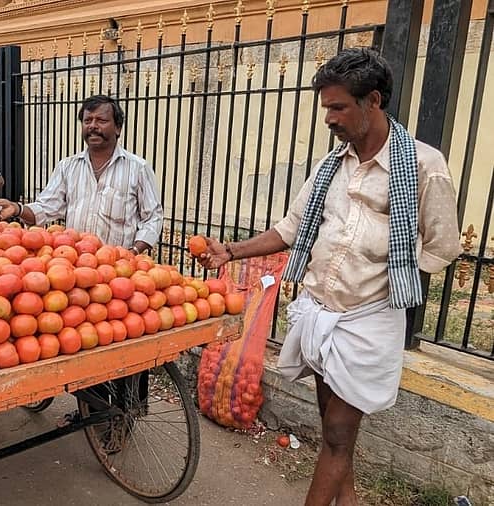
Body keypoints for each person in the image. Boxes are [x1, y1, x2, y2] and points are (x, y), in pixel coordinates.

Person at [197, 48, 461, 506]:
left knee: (338, 435)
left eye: (338, 107)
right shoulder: (330, 166)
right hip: (320, 311)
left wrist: (390, 281)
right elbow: (291, 228)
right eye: (326, 108)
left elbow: (442, 246)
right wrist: (231, 252)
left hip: (369, 319)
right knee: (335, 434)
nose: (329, 119)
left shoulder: (423, 165)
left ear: (373, 101)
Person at [0, 95, 163, 253]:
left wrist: (133, 252)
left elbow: (153, 218)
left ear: (118, 128)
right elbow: (46, 207)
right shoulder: (67, 167)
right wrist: (17, 208)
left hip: (117, 268)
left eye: (101, 120)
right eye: (87, 120)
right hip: (74, 265)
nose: (93, 126)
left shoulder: (138, 168)